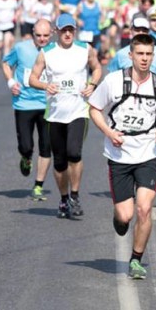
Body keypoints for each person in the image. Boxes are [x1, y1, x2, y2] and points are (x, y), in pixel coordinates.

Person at [89, 34, 156, 280]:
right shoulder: (113, 81)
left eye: (149, 54)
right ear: (131, 55)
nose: (145, 59)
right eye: (140, 54)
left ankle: (136, 260)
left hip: (148, 152)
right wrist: (108, 131)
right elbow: (94, 108)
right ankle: (119, 218)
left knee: (145, 208)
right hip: (119, 154)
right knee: (125, 215)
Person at [29, 13, 102, 219]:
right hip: (54, 114)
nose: (68, 33)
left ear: (75, 31)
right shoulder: (46, 52)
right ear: (56, 32)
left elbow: (97, 69)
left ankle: (75, 196)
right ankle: (63, 199)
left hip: (78, 111)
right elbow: (32, 78)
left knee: (74, 153)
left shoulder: (85, 49)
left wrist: (92, 85)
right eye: (64, 30)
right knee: (59, 162)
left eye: (71, 30)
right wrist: (45, 85)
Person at [2, 19, 53, 200]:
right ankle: (26, 157)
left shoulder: (55, 50)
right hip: (24, 103)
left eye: (46, 36)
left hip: (48, 105)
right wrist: (11, 82)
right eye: (38, 35)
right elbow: (6, 64)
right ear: (32, 32)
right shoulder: (21, 48)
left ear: (52, 34)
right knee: (26, 145)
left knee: (46, 146)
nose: (42, 39)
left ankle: (38, 186)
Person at [108, 18, 156, 83]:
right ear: (131, 30)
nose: (141, 33)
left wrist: (155, 86)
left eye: (144, 30)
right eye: (137, 30)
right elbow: (111, 76)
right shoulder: (120, 54)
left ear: (149, 32)